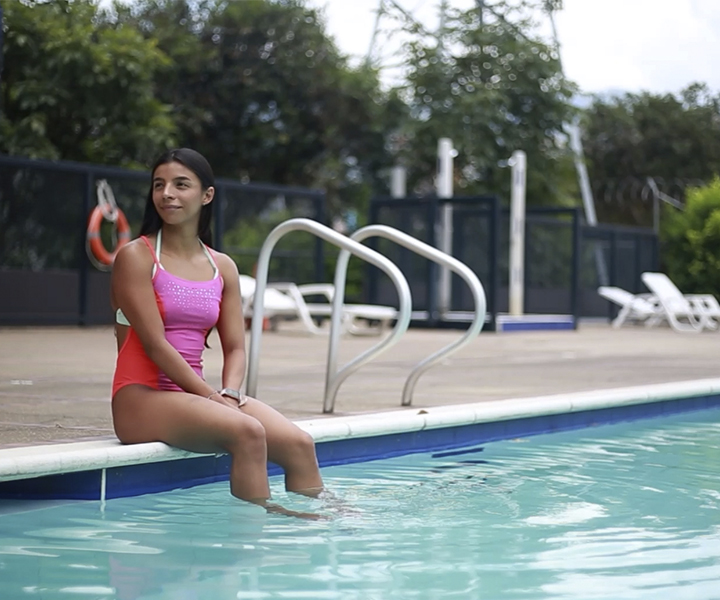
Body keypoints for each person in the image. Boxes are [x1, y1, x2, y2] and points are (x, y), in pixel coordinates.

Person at [110, 148, 324, 516]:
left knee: (299, 442)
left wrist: (230, 392)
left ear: (206, 195)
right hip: (140, 397)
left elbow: (236, 347)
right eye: (159, 185)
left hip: (196, 393)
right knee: (247, 432)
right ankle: (258, 525)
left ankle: (322, 520)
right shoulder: (137, 256)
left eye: (181, 185)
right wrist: (212, 398)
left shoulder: (221, 266)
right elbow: (155, 344)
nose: (167, 194)